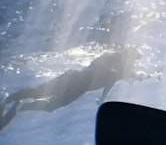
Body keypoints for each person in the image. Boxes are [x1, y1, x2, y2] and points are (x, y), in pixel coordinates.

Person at [0, 47, 141, 133]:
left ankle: (20, 106)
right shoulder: (110, 57)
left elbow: (110, 84)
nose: (132, 63)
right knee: (38, 92)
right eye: (133, 59)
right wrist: (110, 73)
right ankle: (8, 99)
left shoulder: (120, 71)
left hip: (80, 88)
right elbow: (98, 69)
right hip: (73, 79)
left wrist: (103, 99)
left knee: (50, 106)